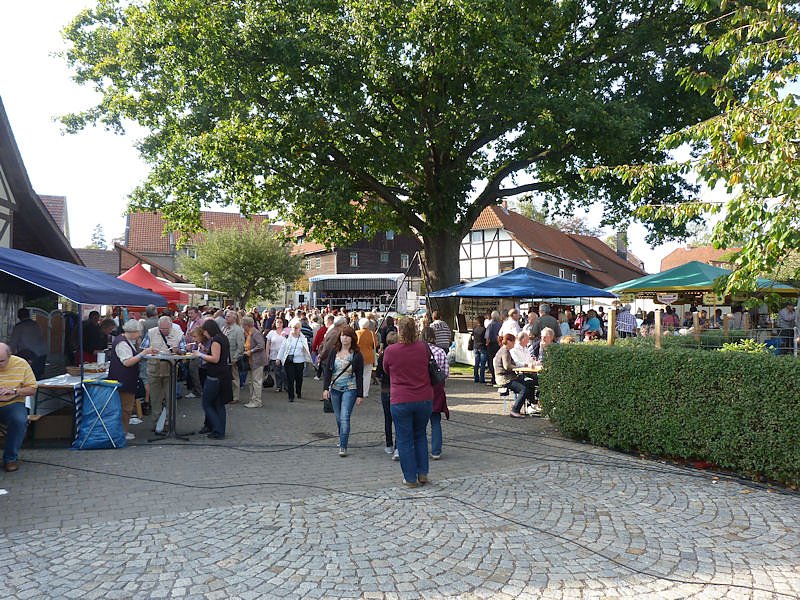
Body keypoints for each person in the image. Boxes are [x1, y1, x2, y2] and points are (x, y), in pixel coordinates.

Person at [382, 317, 434, 488]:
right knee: (420, 436)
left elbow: (386, 370)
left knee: (404, 439)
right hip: (424, 397)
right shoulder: (423, 347)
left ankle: (410, 478)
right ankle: (422, 473)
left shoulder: (391, 350)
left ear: (399, 331)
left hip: (401, 399)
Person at [108, 320, 157, 441]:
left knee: (126, 407)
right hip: (123, 379)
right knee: (126, 408)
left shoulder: (125, 340)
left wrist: (144, 353)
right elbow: (127, 362)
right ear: (133, 331)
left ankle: (123, 431)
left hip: (126, 378)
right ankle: (123, 432)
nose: (140, 334)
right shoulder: (122, 343)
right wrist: (143, 353)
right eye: (138, 332)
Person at [322, 325, 364, 457]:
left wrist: (360, 394)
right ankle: (342, 438)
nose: (344, 338)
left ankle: (343, 446)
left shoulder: (357, 355)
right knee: (338, 417)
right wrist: (325, 388)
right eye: (342, 335)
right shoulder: (334, 351)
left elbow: (359, 375)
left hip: (350, 389)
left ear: (352, 338)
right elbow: (328, 371)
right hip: (335, 389)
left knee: (345, 417)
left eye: (346, 336)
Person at [0, 343, 38, 471]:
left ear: (10, 356)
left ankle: (10, 458)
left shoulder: (21, 364)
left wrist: (15, 391)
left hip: (12, 403)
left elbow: (32, 389)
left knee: (19, 420)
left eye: (1, 361)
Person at [191, 320, 232, 439]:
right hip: (223, 374)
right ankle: (220, 431)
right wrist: (205, 350)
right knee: (219, 404)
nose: (204, 335)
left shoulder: (215, 341)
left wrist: (200, 354)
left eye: (205, 332)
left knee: (207, 403)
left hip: (215, 375)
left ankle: (217, 428)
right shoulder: (223, 338)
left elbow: (215, 358)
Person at [142, 316, 185, 427]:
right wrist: (149, 350)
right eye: (161, 329)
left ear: (171, 326)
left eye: (166, 329)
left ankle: (170, 423)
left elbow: (184, 350)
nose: (163, 331)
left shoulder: (178, 333)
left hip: (170, 369)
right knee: (155, 398)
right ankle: (157, 424)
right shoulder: (151, 332)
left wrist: (178, 351)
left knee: (170, 397)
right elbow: (143, 348)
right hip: (153, 368)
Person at [421, 327, 450, 461]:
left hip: (421, 388)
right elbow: (446, 373)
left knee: (420, 422)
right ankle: (436, 451)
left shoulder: (418, 351)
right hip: (437, 389)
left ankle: (420, 449)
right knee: (436, 420)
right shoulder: (440, 351)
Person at [493, 333, 536, 418]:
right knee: (523, 389)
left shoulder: (504, 350)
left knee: (530, 383)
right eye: (513, 342)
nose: (514, 344)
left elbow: (512, 364)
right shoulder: (505, 351)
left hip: (510, 376)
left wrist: (524, 365)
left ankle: (532, 404)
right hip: (505, 378)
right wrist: (516, 367)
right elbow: (507, 366)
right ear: (509, 342)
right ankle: (514, 410)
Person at [276, 317, 313, 402]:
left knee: (299, 378)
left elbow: (306, 349)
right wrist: (278, 358)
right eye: (293, 327)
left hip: (300, 361)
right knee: (290, 378)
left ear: (300, 328)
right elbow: (282, 348)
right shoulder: (287, 338)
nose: (295, 329)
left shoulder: (303, 339)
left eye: (297, 328)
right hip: (289, 361)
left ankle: (298, 391)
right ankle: (291, 396)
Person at [374, 330, 397, 458]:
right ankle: (398, 446)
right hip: (398, 391)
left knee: (388, 419)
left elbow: (378, 374)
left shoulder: (383, 355)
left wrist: (382, 384)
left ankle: (389, 445)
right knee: (399, 420)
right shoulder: (400, 354)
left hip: (386, 390)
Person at [9, 308, 47, 379]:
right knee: (38, 376)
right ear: (29, 315)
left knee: (27, 377)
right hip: (42, 354)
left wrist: (8, 355)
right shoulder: (36, 324)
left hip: (30, 355)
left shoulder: (19, 326)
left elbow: (13, 344)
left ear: (18, 316)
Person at [241, 316, 267, 408]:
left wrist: (250, 351)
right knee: (251, 381)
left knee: (256, 381)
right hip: (252, 361)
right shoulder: (249, 333)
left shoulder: (256, 333)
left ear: (246, 325)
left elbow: (261, 345)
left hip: (257, 361)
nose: (242, 326)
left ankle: (257, 401)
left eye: (243, 325)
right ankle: (253, 399)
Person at [222, 310, 245, 404]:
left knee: (234, 378)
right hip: (223, 357)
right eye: (226, 316)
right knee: (225, 378)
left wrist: (235, 358)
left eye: (228, 316)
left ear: (234, 318)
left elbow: (240, 346)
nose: (226, 318)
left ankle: (235, 397)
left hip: (232, 358)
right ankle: (226, 395)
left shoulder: (238, 330)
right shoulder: (224, 328)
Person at [356, 318, 378, 398]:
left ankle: (358, 391)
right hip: (369, 356)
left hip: (358, 356)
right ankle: (365, 393)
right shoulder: (372, 334)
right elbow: (375, 344)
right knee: (367, 375)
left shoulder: (357, 333)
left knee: (358, 374)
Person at [266, 317, 286, 393]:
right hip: (274, 355)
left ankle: (286, 386)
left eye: (281, 322)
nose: (279, 324)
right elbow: (268, 344)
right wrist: (267, 353)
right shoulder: (271, 332)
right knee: (277, 372)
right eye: (278, 322)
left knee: (284, 372)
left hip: (284, 355)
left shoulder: (286, 331)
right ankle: (279, 386)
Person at [485, 311, 502, 385]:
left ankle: (493, 378)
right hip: (499, 345)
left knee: (491, 362)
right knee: (498, 361)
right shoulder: (501, 325)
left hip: (492, 345)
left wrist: (486, 344)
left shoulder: (490, 325)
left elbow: (487, 337)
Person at [471, 316, 487, 384]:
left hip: (475, 346)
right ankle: (482, 378)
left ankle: (476, 378)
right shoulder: (484, 329)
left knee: (476, 363)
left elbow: (472, 338)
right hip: (482, 347)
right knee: (482, 364)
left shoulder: (474, 329)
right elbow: (486, 338)